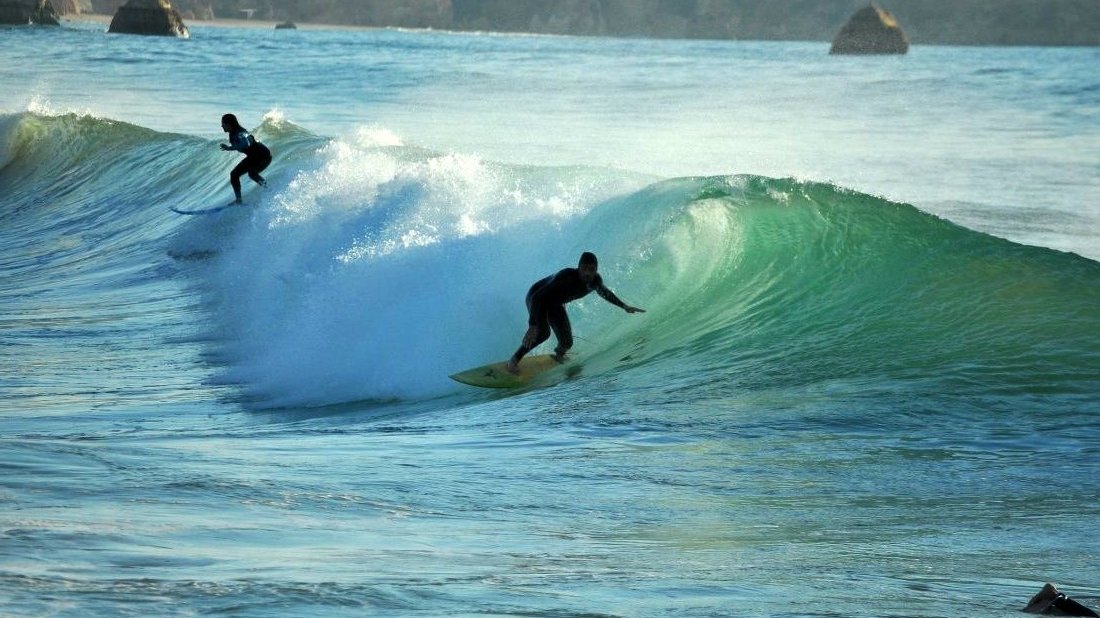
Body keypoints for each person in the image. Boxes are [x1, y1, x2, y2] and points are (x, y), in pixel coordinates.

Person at [507, 252, 645, 374]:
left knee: (567, 343)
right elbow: (539, 297)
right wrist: (532, 325)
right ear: (578, 267)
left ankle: (558, 356)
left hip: (555, 303)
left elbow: (605, 293)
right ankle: (514, 360)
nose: (587, 273)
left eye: (591, 270)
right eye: (584, 268)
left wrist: (624, 306)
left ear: (596, 270)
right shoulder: (566, 276)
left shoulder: (595, 281)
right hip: (537, 297)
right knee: (543, 333)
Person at [219, 113, 271, 204]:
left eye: (223, 123)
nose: (221, 125)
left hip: (262, 155)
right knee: (237, 174)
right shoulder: (233, 133)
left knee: (247, 174)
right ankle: (239, 199)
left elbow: (246, 143)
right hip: (255, 156)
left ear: (228, 124)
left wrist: (230, 148)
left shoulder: (240, 133)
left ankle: (268, 189)